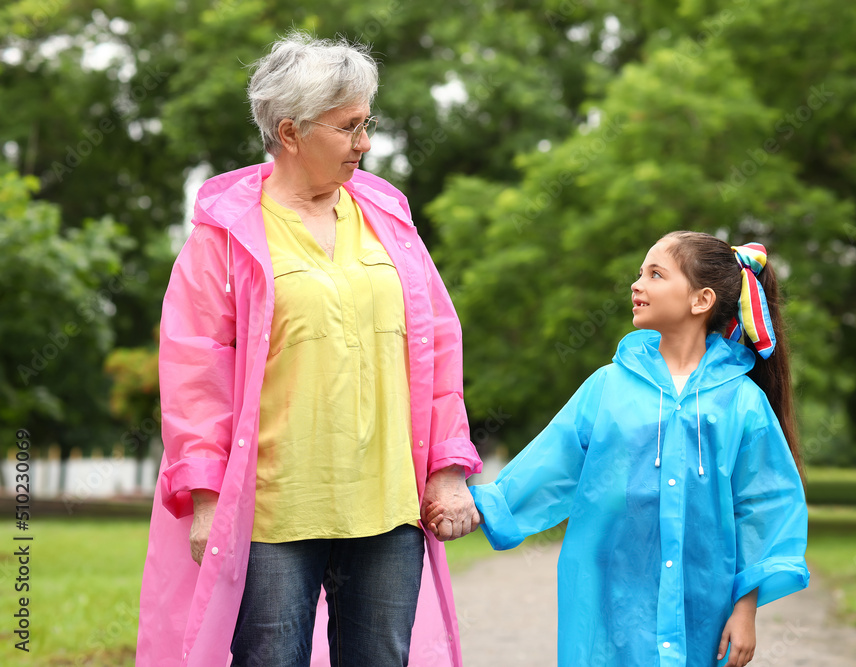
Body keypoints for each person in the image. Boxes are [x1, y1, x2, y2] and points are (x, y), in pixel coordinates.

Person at [137, 33, 482, 667]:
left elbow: (438, 347)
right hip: (273, 515)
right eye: (350, 126)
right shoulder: (226, 236)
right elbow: (194, 370)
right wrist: (207, 497)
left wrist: (448, 468)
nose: (366, 142)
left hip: (387, 510)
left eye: (367, 123)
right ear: (291, 132)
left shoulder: (388, 218)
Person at [429, 231, 809, 666]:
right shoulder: (608, 386)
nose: (637, 283)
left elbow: (763, 506)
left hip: (704, 602)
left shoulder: (742, 402)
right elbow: (555, 462)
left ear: (700, 300)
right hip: (611, 596)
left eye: (656, 274)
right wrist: (477, 506)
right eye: (639, 272)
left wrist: (744, 611)